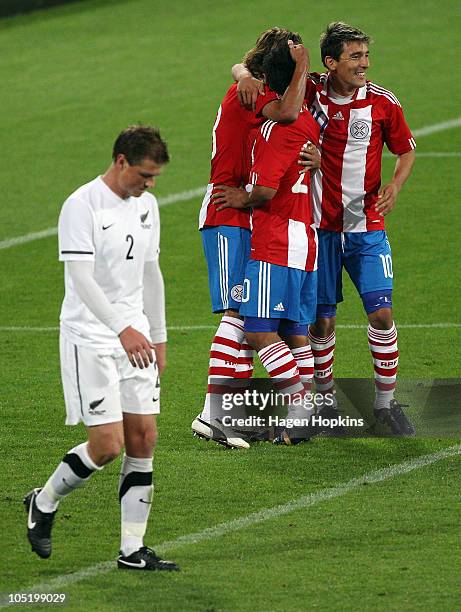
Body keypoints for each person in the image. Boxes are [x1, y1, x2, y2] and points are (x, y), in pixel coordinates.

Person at [233, 22, 416, 436]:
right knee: (321, 323)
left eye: (365, 56)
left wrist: (394, 185)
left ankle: (387, 404)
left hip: (366, 226)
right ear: (330, 62)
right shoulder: (309, 89)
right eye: (354, 57)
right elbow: (244, 67)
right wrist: (244, 74)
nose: (363, 64)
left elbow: (405, 151)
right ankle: (325, 400)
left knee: (382, 313)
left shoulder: (384, 103)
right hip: (320, 228)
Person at [24, 126, 179, 571]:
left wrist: (159, 335)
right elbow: (81, 278)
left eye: (155, 178)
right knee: (107, 445)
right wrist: (121, 330)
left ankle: (132, 549)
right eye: (145, 175)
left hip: (136, 338)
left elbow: (152, 273)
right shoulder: (82, 204)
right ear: (121, 162)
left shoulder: (147, 206)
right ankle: (44, 500)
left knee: (144, 437)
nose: (150, 185)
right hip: (90, 338)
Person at [193, 28, 319, 448]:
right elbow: (289, 112)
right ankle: (214, 416)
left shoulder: (250, 84)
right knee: (237, 313)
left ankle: (233, 415)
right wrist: (294, 67)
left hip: (245, 212)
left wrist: (242, 69)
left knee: (246, 316)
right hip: (229, 209)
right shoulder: (251, 94)